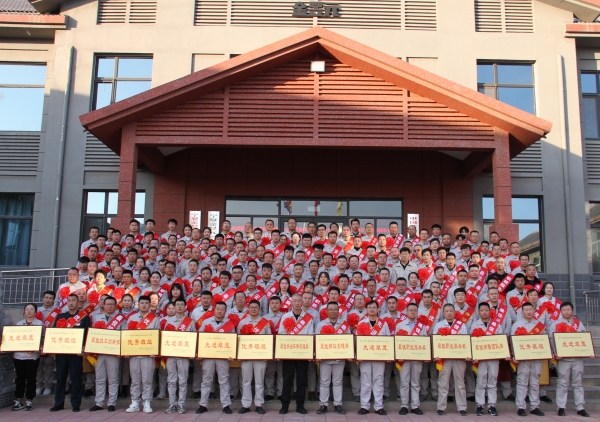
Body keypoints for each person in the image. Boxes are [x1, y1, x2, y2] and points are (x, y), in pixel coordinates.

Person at [549, 301, 590, 417]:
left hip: (577, 358)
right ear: (561, 311)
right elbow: (552, 339)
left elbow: (584, 338)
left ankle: (580, 407)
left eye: (568, 310)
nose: (566, 312)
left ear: (572, 311)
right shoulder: (555, 324)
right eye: (564, 310)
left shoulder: (578, 323)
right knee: (562, 383)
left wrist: (588, 351)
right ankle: (561, 407)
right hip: (563, 359)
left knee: (578, 383)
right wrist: (555, 352)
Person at [50, 294, 90, 412]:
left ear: (78, 303)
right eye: (69, 300)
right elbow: (54, 333)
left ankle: (76, 404)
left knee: (76, 378)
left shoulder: (84, 317)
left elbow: (87, 333)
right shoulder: (61, 316)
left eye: (73, 300)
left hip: (76, 353)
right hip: (62, 352)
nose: (71, 303)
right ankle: (58, 403)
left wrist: (83, 348)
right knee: (61, 378)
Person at [278, 293, 315, 415]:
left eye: (299, 301)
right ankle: (284, 406)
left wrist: (309, 352)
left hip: (302, 353)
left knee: (301, 380)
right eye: (295, 301)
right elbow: (281, 334)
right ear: (291, 302)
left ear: (302, 302)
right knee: (287, 380)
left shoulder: (308, 318)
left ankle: (300, 405)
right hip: (288, 353)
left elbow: (310, 335)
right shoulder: (285, 317)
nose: (297, 303)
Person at [196, 301, 235, 415]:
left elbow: (232, 341)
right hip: (208, 355)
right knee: (206, 380)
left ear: (225, 311)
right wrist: (199, 352)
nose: (219, 311)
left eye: (222, 309)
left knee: (224, 380)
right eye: (217, 309)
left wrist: (231, 354)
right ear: (214, 309)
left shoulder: (229, 324)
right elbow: (200, 338)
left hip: (223, 357)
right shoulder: (206, 322)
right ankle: (203, 404)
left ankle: (226, 405)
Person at [125, 295, 160, 414]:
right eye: (142, 303)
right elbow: (126, 336)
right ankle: (135, 402)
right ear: (138, 305)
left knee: (147, 380)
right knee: (135, 380)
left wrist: (155, 351)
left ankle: (147, 402)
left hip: (148, 355)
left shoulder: (154, 319)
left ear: (150, 305)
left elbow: (157, 336)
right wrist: (126, 351)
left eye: (146, 303)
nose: (144, 305)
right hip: (134, 354)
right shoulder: (132, 318)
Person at [89, 296, 124, 412]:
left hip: (114, 353)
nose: (109, 306)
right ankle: (99, 402)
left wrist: (121, 350)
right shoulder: (96, 317)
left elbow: (124, 335)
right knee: (99, 378)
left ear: (115, 306)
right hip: (99, 352)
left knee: (113, 378)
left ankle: (111, 402)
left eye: (112, 304)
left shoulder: (121, 319)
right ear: (103, 305)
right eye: (107, 304)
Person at [355, 300, 390, 415]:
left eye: (374, 307)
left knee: (379, 381)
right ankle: (364, 406)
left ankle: (379, 406)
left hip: (379, 357)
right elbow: (357, 340)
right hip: (365, 357)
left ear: (378, 309)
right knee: (365, 381)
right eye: (369, 307)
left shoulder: (383, 324)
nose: (372, 309)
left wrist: (388, 355)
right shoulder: (361, 323)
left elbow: (388, 340)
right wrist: (358, 355)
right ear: (366, 309)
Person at [433, 303, 468, 416]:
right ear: (443, 313)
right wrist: (436, 354)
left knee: (460, 382)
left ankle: (462, 407)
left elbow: (465, 341)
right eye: (446, 311)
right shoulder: (439, 325)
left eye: (451, 311)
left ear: (454, 312)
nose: (449, 313)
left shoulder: (461, 325)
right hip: (444, 359)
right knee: (443, 382)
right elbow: (435, 341)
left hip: (459, 358)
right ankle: (441, 407)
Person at [237, 299, 271, 414]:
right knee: (246, 381)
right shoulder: (242, 323)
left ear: (259, 309)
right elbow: (238, 340)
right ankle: (246, 404)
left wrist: (267, 355)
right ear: (248, 309)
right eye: (251, 307)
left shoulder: (265, 323)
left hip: (260, 357)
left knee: (259, 381)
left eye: (256, 307)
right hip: (246, 356)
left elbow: (269, 340)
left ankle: (259, 404)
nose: (253, 309)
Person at [511, 302, 546, 417]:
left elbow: (544, 341)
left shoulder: (540, 325)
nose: (529, 312)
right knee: (522, 382)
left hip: (536, 358)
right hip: (523, 359)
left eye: (530, 309)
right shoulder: (517, 325)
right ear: (522, 312)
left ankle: (534, 406)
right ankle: (520, 407)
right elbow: (512, 341)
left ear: (534, 311)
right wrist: (514, 355)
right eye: (526, 310)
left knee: (535, 382)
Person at [315, 301, 350, 415]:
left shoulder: (344, 325)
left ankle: (338, 404)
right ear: (326, 311)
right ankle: (323, 404)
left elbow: (349, 341)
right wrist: (317, 354)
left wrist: (349, 354)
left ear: (339, 311)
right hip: (325, 358)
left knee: (338, 382)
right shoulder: (321, 324)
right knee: (324, 382)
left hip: (339, 359)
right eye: (331, 309)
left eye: (335, 309)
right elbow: (316, 340)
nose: (333, 311)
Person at [470, 302, 503, 416]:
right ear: (479, 312)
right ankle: (479, 405)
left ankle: (492, 405)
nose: (484, 312)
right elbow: (472, 341)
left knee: (492, 381)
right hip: (480, 358)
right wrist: (474, 356)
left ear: (490, 311)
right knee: (480, 381)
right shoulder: (475, 325)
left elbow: (500, 340)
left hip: (493, 357)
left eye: (486, 310)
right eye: (482, 310)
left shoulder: (496, 325)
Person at [163, 298, 194, 414]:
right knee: (171, 380)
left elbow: (194, 338)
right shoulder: (168, 321)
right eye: (177, 305)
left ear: (185, 307)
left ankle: (181, 404)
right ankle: (172, 404)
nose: (180, 307)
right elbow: (165, 337)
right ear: (174, 307)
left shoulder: (190, 322)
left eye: (182, 305)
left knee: (183, 380)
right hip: (171, 355)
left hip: (183, 356)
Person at [395, 302, 426, 415]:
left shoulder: (422, 326)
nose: (413, 312)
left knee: (415, 382)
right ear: (406, 312)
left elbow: (424, 342)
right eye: (410, 310)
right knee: (404, 382)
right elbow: (396, 342)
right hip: (404, 359)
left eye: (415, 310)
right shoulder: (400, 325)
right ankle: (404, 405)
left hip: (417, 358)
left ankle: (415, 406)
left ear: (417, 312)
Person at [12, 303, 42, 412]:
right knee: (20, 378)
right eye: (27, 309)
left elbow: (42, 338)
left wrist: (38, 347)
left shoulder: (39, 324)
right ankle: (18, 400)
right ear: (24, 312)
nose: (29, 311)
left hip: (32, 356)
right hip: (19, 356)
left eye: (31, 309)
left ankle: (29, 400)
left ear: (35, 312)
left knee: (31, 378)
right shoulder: (19, 324)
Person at [35, 290, 56, 396]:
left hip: (49, 340)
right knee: (38, 364)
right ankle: (38, 385)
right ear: (43, 299)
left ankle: (48, 386)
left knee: (49, 364)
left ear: (54, 300)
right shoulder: (36, 310)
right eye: (46, 298)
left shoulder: (56, 312)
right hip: (37, 340)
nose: (48, 300)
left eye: (50, 298)